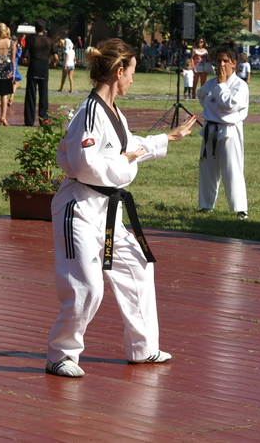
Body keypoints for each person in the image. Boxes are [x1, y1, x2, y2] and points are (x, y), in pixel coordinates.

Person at [45, 38, 197, 378]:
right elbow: (83, 164)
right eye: (131, 72)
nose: (133, 78)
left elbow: (127, 146)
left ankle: (143, 348)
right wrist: (124, 162)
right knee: (87, 287)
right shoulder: (90, 112)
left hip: (108, 210)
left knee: (138, 267)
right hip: (79, 208)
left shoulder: (112, 111)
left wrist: (166, 139)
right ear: (118, 72)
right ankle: (61, 354)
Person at [197, 41, 250, 217]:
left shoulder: (240, 85)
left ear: (234, 63)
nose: (221, 65)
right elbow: (201, 95)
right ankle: (206, 204)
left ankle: (240, 209)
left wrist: (221, 85)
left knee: (232, 169)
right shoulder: (211, 83)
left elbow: (229, 105)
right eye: (219, 60)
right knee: (207, 169)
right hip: (210, 129)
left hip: (229, 131)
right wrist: (211, 110)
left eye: (225, 61)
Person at [22, 19, 57, 126]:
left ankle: (29, 121)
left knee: (30, 95)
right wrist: (52, 63)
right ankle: (44, 120)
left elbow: (24, 57)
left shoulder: (31, 39)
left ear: (35, 28)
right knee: (44, 96)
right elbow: (56, 57)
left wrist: (28, 60)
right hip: (44, 68)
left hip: (33, 67)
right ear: (44, 28)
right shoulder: (49, 41)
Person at [8, 35, 23, 107]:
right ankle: (12, 96)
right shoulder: (17, 48)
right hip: (14, 66)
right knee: (15, 82)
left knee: (9, 82)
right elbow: (19, 55)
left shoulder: (8, 47)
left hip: (9, 65)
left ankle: (7, 98)